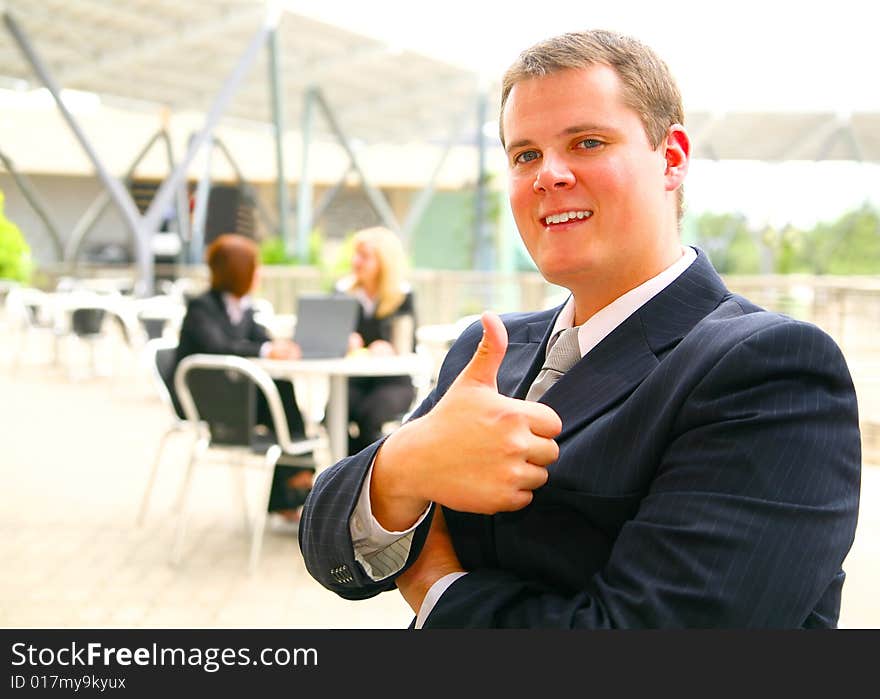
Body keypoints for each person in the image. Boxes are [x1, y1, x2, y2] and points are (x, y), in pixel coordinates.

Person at [298, 30, 861, 628]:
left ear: (671, 159)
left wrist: (438, 590)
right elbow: (329, 550)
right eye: (525, 155)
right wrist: (405, 464)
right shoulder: (489, 350)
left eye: (587, 142)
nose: (548, 175)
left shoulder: (767, 369)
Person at [174, 233, 314, 520]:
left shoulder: (244, 308)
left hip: (237, 395)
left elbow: (259, 338)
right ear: (238, 271)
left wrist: (276, 346)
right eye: (254, 267)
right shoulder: (202, 307)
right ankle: (299, 471)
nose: (259, 273)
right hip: (209, 402)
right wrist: (265, 349)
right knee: (282, 399)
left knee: (283, 393)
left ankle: (294, 478)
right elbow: (218, 346)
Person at [335, 226, 418, 455]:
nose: (356, 262)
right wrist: (344, 341)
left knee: (371, 415)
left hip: (392, 381)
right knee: (336, 413)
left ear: (383, 261)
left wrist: (390, 348)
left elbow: (408, 345)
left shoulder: (402, 296)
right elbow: (331, 337)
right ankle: (348, 473)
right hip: (353, 380)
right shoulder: (343, 293)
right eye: (356, 254)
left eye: (364, 256)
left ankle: (364, 476)